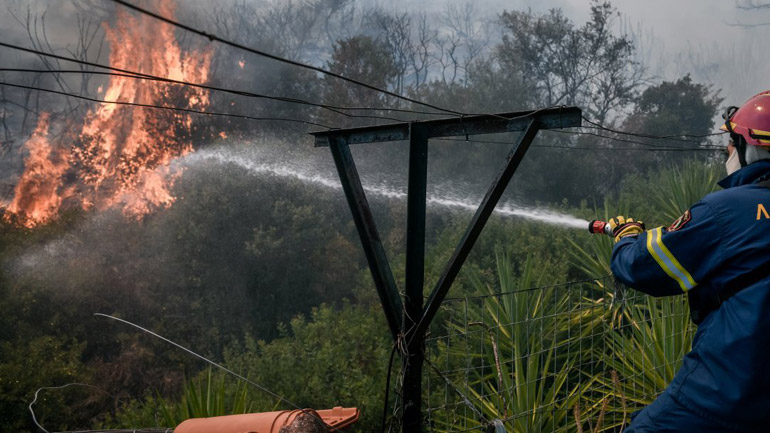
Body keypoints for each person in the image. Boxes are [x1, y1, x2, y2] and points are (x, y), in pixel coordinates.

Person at [608, 90, 770, 433]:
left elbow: (645, 268)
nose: (728, 149)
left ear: (752, 147)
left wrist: (626, 238)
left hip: (724, 394)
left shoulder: (725, 210)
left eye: (733, 140)